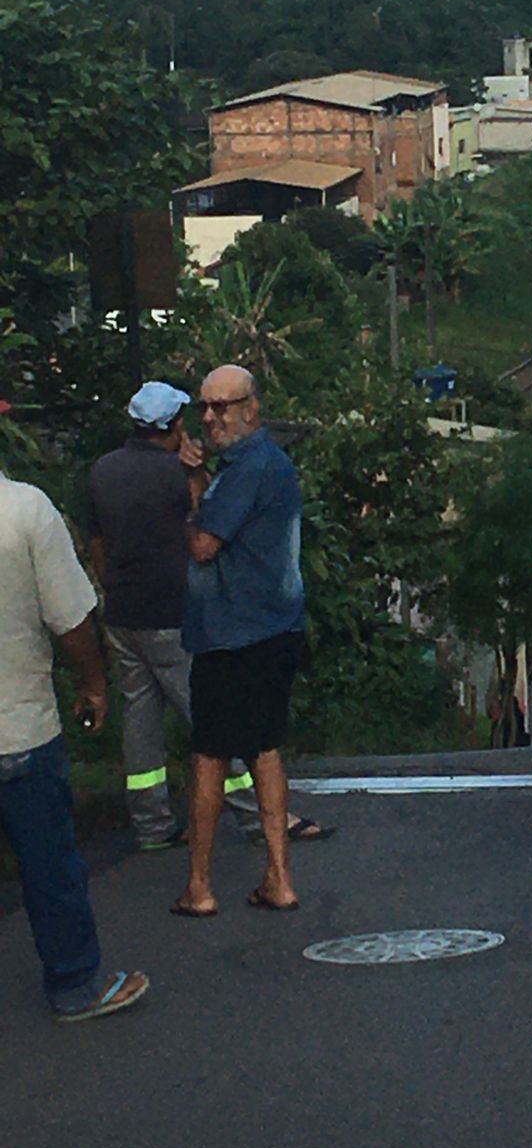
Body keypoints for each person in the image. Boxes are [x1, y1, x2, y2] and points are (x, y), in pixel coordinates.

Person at [85, 381, 328, 852]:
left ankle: (152, 823)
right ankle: (258, 819)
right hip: (174, 613)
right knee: (213, 723)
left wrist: (111, 586)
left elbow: (96, 541)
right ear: (174, 424)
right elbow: (210, 528)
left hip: (121, 614)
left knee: (140, 722)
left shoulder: (102, 471)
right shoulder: (178, 473)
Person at [0, 468, 149, 1020]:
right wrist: (93, 683)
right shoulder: (24, 510)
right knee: (49, 867)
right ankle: (74, 985)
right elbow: (70, 620)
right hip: (18, 730)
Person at [172, 366, 307, 918]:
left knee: (209, 755)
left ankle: (199, 885)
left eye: (221, 407)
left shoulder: (250, 467)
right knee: (265, 749)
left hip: (234, 634)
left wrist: (188, 502)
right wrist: (203, 481)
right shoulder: (253, 464)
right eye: (204, 408)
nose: (209, 418)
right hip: (272, 627)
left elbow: (205, 543)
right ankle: (278, 876)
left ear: (251, 407)